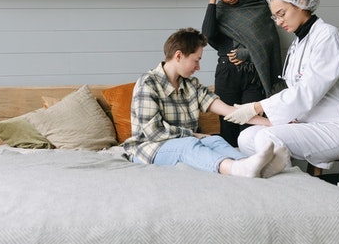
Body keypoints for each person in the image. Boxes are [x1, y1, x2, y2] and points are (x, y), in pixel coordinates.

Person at [224, 0, 339, 171]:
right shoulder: (297, 45)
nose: (279, 22)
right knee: (246, 137)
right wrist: (258, 115)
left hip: (338, 128)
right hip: (306, 124)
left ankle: (289, 191)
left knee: (266, 137)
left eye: (282, 13)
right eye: (275, 17)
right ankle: (270, 184)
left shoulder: (327, 36)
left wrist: (256, 107)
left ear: (301, 2)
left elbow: (307, 92)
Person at [123, 28, 289, 178]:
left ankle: (258, 166)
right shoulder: (148, 83)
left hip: (186, 141)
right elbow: (154, 133)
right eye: (196, 60)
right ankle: (235, 168)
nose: (198, 67)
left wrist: (273, 122)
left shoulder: (191, 85)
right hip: (148, 149)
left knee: (215, 141)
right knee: (189, 144)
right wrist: (193, 134)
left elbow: (231, 112)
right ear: (179, 55)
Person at [200, 0, 282, 147]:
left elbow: (268, 42)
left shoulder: (257, 4)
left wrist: (246, 54)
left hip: (253, 76)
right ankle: (230, 172)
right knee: (228, 127)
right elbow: (208, 34)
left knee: (251, 129)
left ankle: (250, 172)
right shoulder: (219, 10)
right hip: (227, 74)